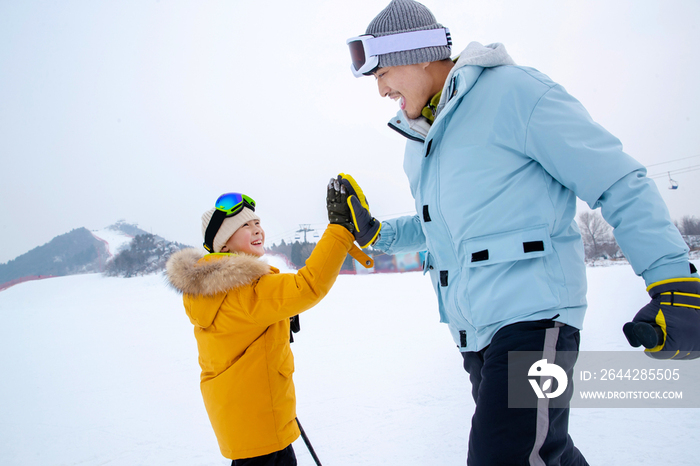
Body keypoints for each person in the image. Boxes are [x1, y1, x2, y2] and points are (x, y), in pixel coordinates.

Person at [343, 0, 700, 464]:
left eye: (381, 74)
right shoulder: (421, 144)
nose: (380, 90)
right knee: (544, 453)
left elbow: (615, 179)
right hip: (475, 333)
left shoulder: (516, 93)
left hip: (535, 319)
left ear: (419, 52)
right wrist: (375, 234)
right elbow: (438, 229)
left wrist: (673, 278)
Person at [165, 186, 362, 465]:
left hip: (248, 424)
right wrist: (340, 230)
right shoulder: (243, 289)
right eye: (245, 225)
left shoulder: (214, 291)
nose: (257, 229)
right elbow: (307, 286)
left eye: (257, 222)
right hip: (259, 429)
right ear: (223, 244)